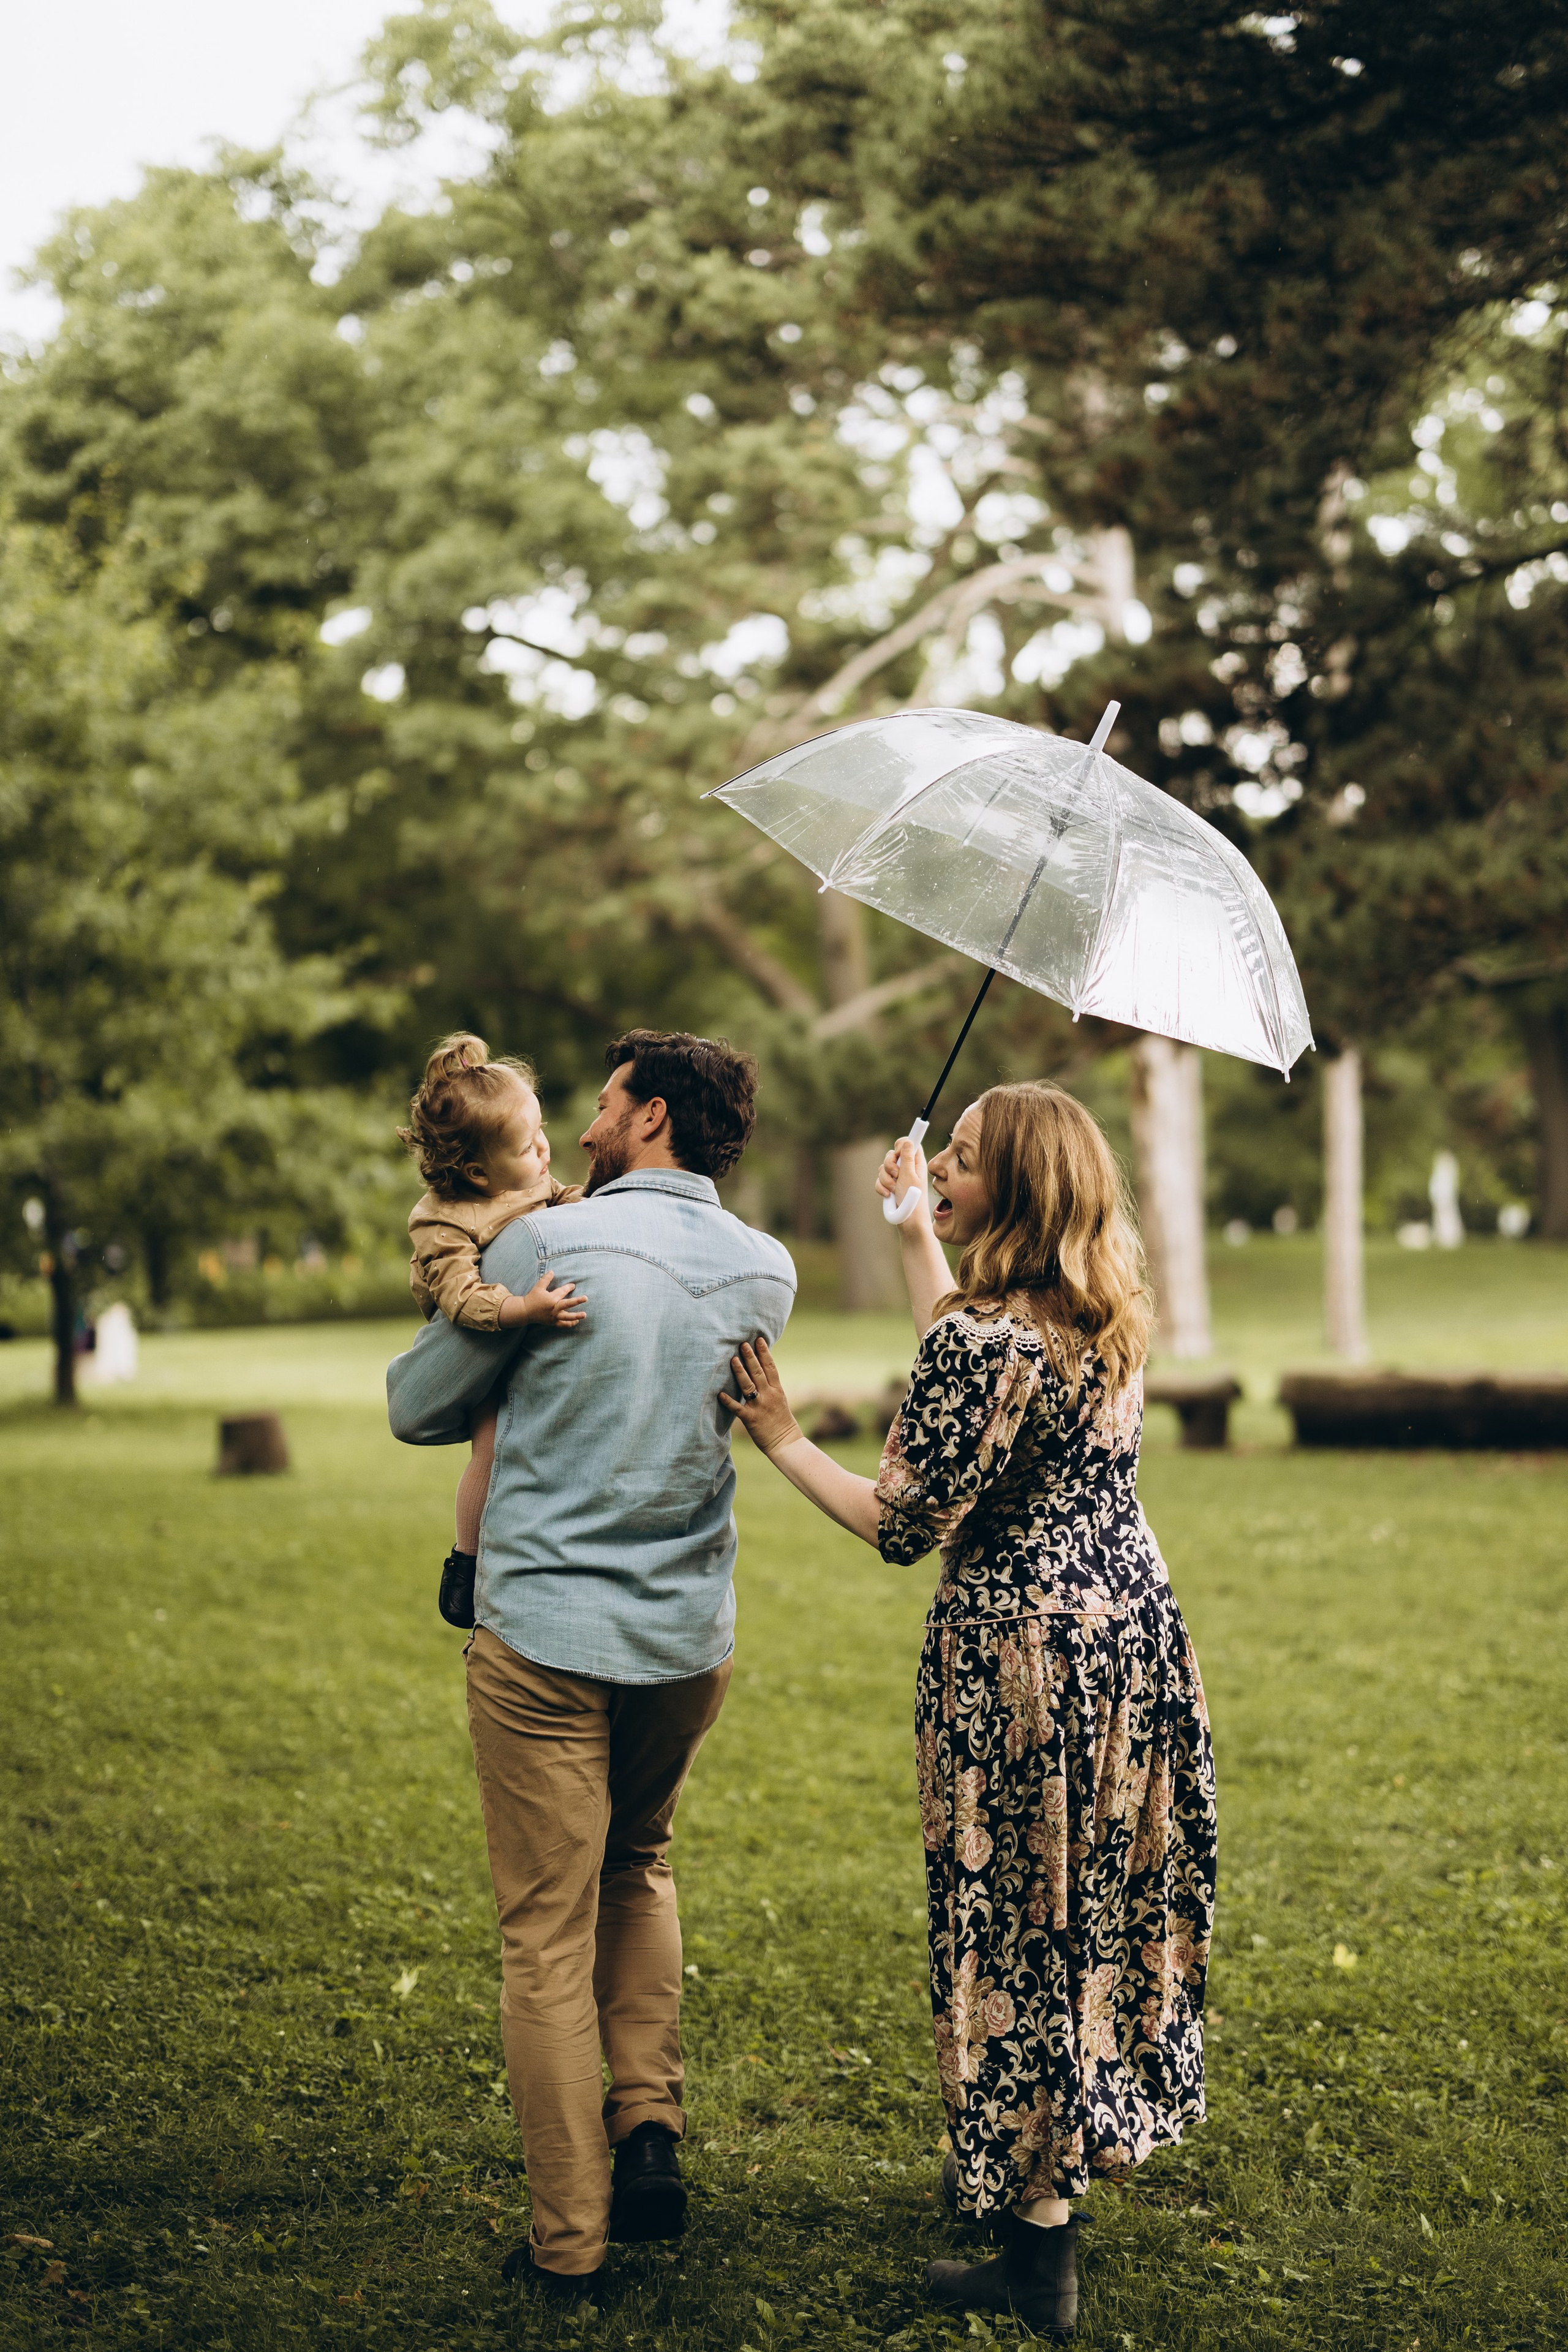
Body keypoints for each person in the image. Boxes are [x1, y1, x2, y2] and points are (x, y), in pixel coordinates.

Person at [722, 1083, 1216, 2343]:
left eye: (964, 1156)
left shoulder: (983, 1346)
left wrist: (780, 1437)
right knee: (1085, 1917)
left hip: (1023, 1671)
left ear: (1021, 1189)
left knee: (1017, 1928)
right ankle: (1037, 2156)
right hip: (1133, 1649)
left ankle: (1036, 2252)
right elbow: (973, 1363)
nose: (937, 1163)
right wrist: (912, 1230)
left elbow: (903, 1521)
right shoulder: (1099, 1316)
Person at [386, 1030, 796, 2305]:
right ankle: (649, 2126)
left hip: (547, 1642)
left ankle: (569, 2243)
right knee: (641, 1861)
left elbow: (417, 1404)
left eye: (607, 1104)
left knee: (544, 1937)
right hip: (683, 1640)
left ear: (653, 1116)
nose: (583, 1127)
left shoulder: (544, 1247)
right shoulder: (767, 1269)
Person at [399, 1032, 586, 1626]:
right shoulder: (442, 1220)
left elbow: (566, 1198)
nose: (545, 1149)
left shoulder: (528, 1181)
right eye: (528, 1146)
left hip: (521, 1331)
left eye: (541, 1132)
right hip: (479, 1338)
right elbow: (460, 1299)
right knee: (491, 1446)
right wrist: (524, 1309)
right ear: (478, 1171)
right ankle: (467, 1560)